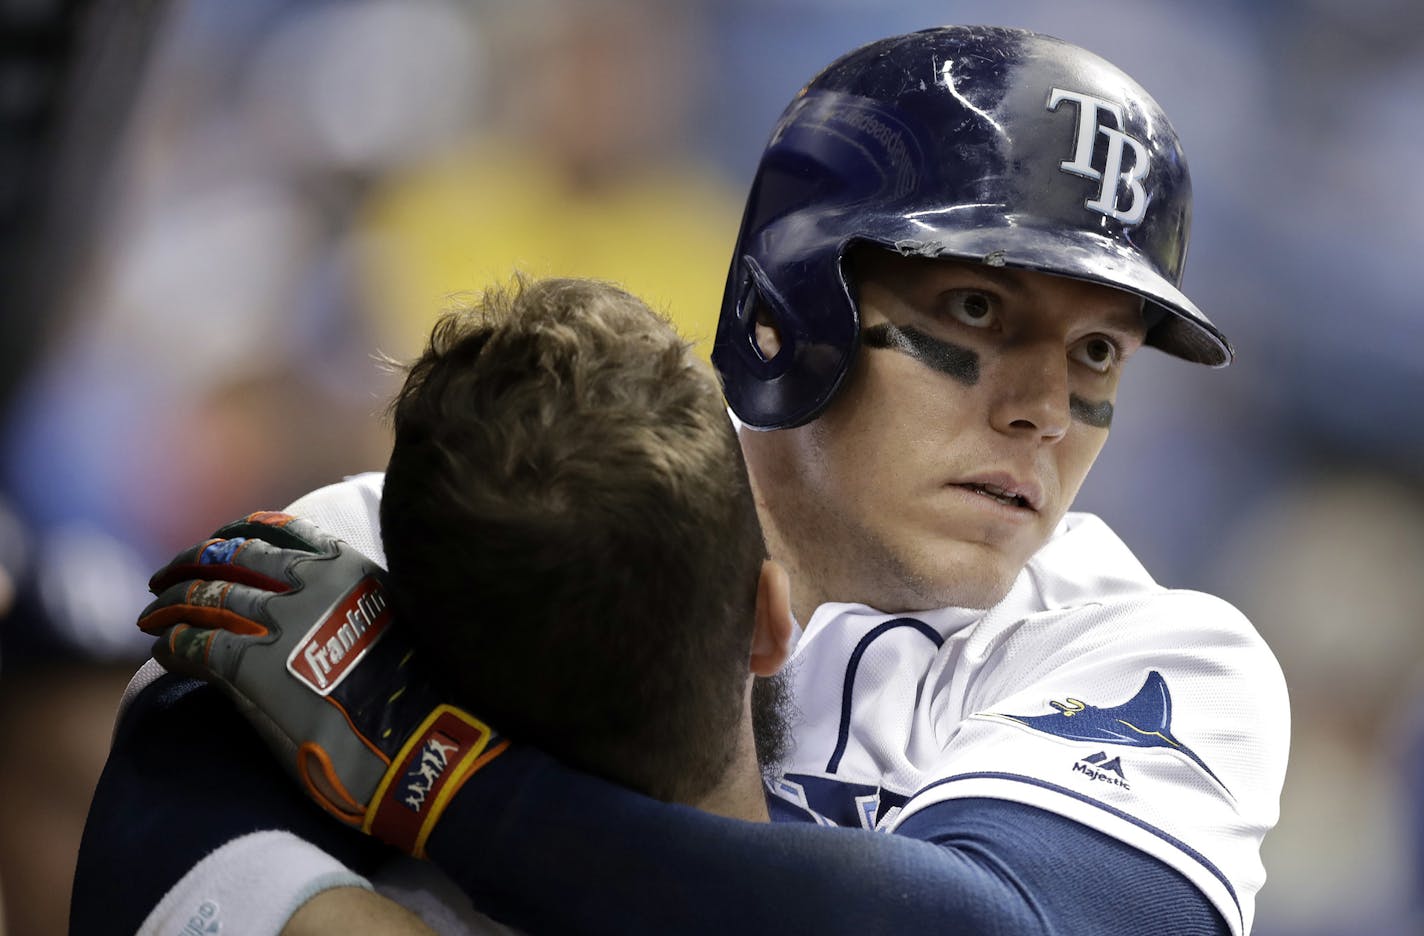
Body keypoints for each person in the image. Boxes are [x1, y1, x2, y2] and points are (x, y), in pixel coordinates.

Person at [74, 25, 1287, 936]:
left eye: (1094, 353)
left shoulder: (1160, 663)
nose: (1038, 411)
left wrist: (440, 777)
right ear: (790, 306)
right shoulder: (452, 523)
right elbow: (156, 859)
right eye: (975, 309)